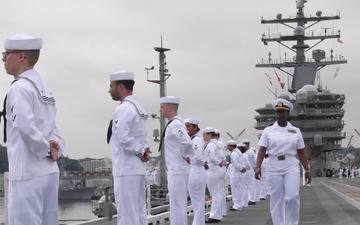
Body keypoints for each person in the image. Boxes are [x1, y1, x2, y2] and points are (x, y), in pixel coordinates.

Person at [2, 33, 64, 225]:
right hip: (49, 172)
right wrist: (55, 148)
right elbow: (53, 128)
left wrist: (46, 149)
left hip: (27, 172)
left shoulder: (19, 88)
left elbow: (25, 127)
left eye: (6, 54)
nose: (3, 59)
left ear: (21, 56)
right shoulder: (44, 88)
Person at [255, 98, 311, 225]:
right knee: (276, 199)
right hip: (273, 165)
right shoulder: (268, 130)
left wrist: (307, 170)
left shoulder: (295, 130)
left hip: (291, 164)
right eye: (278, 112)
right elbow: (262, 150)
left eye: (283, 112)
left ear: (288, 113)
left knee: (292, 196)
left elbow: (301, 152)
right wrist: (257, 167)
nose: (280, 114)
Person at [108, 71, 150, 225]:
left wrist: (140, 151)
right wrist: (143, 150)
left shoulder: (124, 108)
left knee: (126, 215)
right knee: (139, 212)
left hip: (125, 169)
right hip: (136, 169)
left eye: (111, 86)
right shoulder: (139, 107)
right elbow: (140, 136)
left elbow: (123, 137)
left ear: (120, 86)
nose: (109, 90)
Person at [160, 96, 193, 225]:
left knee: (178, 204)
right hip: (175, 170)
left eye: (162, 107)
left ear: (169, 107)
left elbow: (186, 143)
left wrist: (185, 157)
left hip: (178, 170)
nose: (160, 110)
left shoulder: (176, 125)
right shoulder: (173, 124)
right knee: (175, 205)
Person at [185, 118, 207, 225]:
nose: (186, 129)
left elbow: (198, 155)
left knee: (197, 202)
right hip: (196, 170)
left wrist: (204, 162)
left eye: (188, 127)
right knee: (198, 202)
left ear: (195, 127)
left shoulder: (196, 139)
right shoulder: (195, 139)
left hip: (195, 171)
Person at [203, 127, 226, 223]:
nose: (203, 136)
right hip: (220, 171)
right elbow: (223, 157)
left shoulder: (211, 145)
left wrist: (217, 162)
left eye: (204, 134)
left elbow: (211, 157)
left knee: (214, 194)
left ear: (208, 134)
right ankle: (218, 214)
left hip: (213, 170)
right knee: (219, 192)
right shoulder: (219, 144)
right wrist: (221, 162)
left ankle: (214, 216)